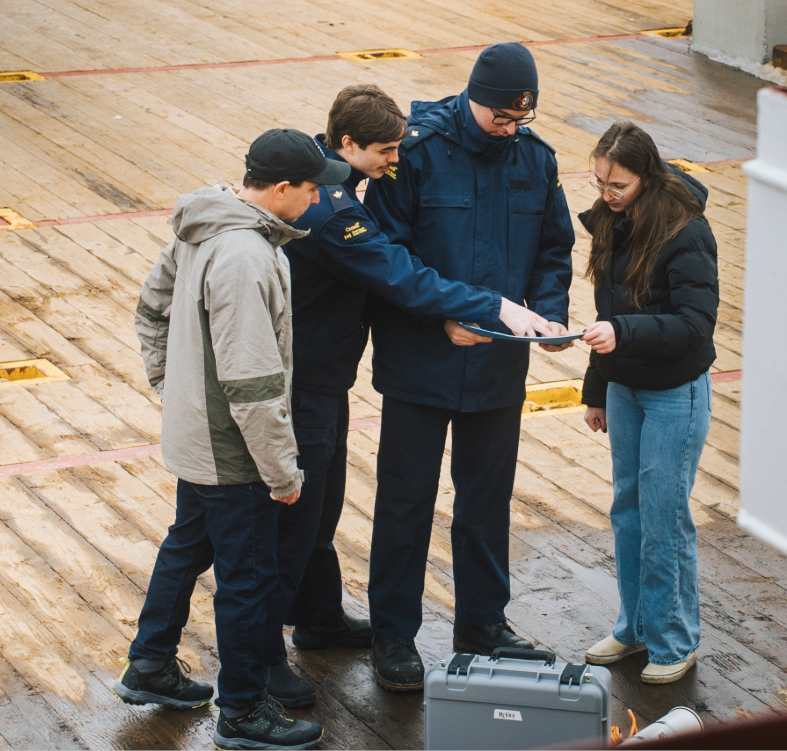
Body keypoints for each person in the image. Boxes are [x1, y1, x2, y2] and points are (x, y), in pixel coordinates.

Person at [268, 84, 551, 687]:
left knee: (320, 508)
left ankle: (316, 618)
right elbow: (398, 274)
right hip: (302, 380)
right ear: (348, 144)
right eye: (387, 151)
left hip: (325, 376)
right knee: (292, 518)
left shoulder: (336, 184)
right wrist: (492, 305)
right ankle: (263, 661)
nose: (399, 161)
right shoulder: (331, 208)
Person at [115, 128, 350, 750]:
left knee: (186, 545)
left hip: (196, 436)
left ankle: (150, 665)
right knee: (247, 579)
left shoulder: (202, 226)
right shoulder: (247, 255)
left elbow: (150, 308)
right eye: (311, 190)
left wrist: (174, 389)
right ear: (279, 189)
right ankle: (243, 711)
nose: (318, 201)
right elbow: (252, 381)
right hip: (233, 449)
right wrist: (283, 471)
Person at [362, 42, 575, 691]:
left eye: (519, 120)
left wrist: (551, 313)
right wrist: (440, 320)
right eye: (499, 119)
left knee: (485, 502)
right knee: (405, 501)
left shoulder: (535, 161)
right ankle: (393, 632)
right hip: (420, 364)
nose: (510, 130)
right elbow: (387, 257)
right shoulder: (414, 153)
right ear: (472, 97)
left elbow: (553, 246)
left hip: (496, 370)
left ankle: (482, 621)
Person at [577, 121, 717, 685]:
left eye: (619, 186)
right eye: (600, 182)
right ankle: (636, 626)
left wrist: (623, 334)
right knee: (627, 510)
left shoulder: (687, 233)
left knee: (665, 518)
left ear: (648, 176)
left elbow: (695, 326)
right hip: (624, 386)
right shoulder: (612, 220)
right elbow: (605, 306)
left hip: (673, 394)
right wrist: (597, 388)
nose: (607, 196)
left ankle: (675, 640)